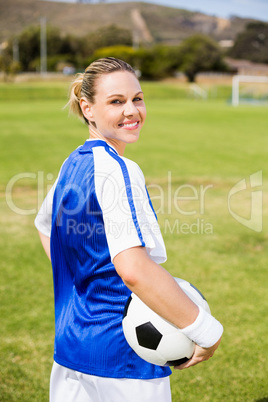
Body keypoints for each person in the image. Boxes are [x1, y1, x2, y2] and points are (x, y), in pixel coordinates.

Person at [35, 57, 223, 402]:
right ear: (87, 108)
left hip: (71, 347)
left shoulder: (74, 162)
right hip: (122, 357)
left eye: (137, 98)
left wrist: (84, 284)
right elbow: (134, 269)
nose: (131, 111)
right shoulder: (118, 170)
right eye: (116, 102)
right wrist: (206, 331)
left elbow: (45, 226)